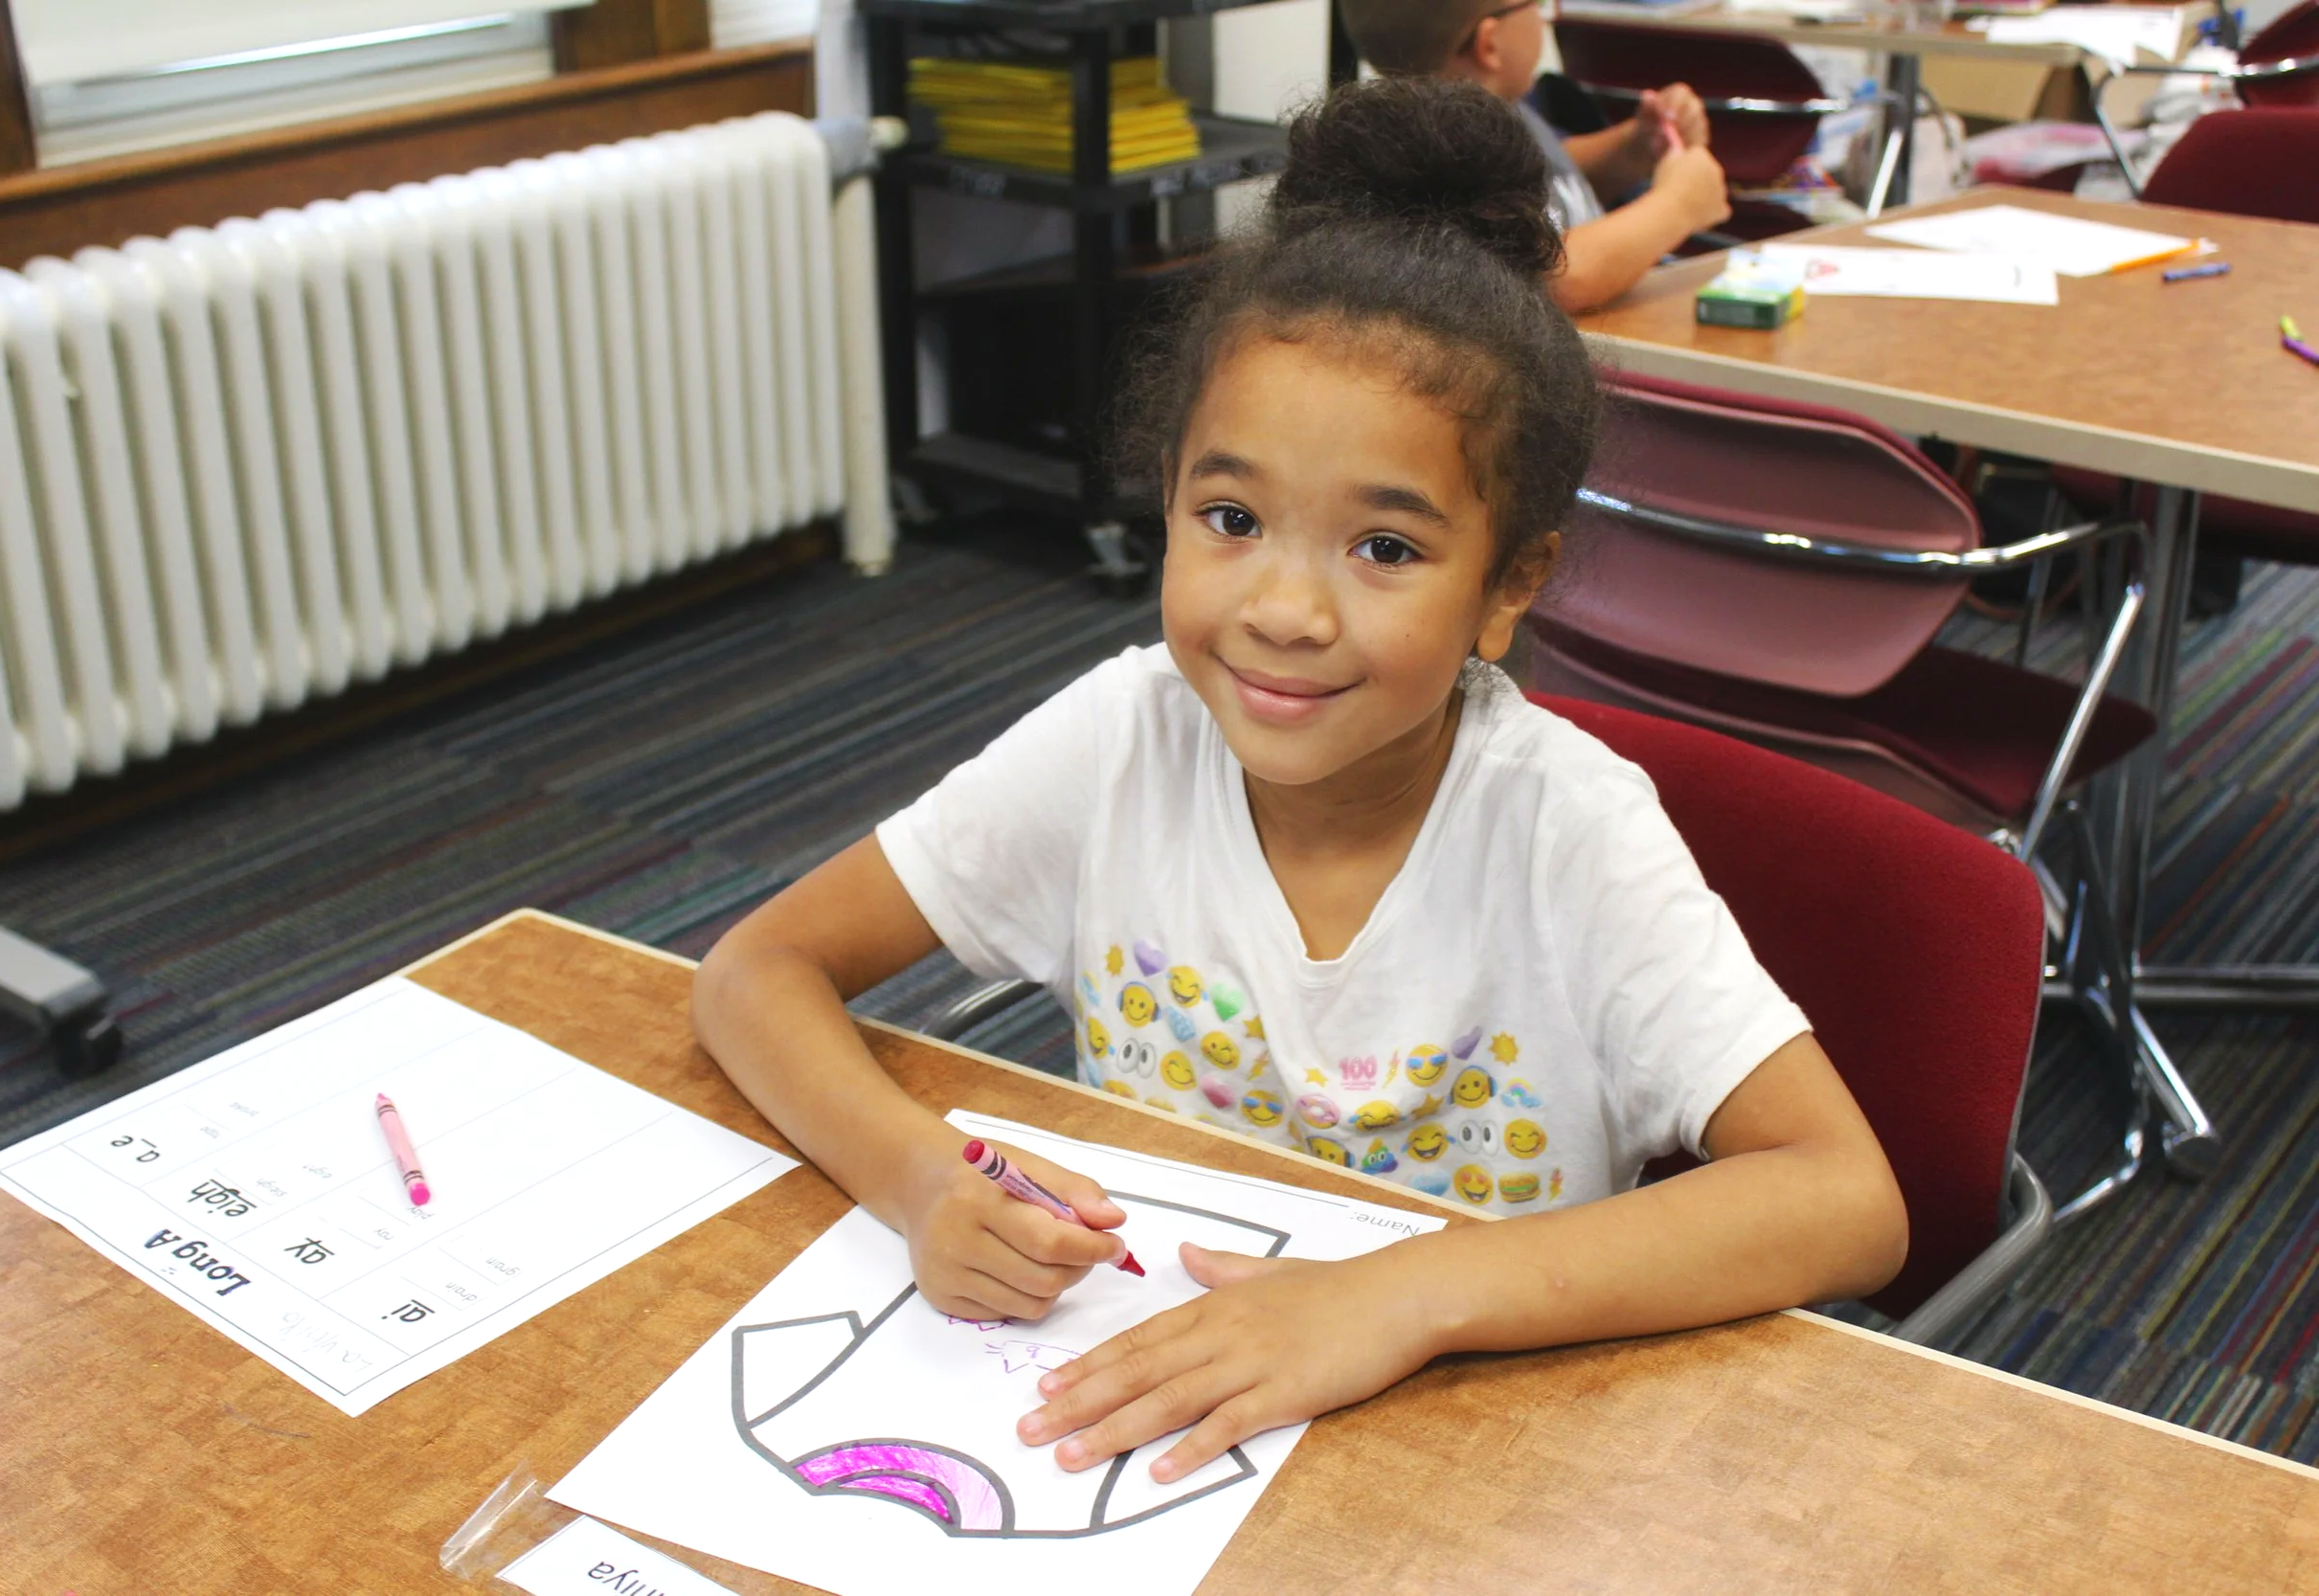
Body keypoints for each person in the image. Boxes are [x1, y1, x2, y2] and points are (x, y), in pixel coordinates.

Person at [695, 79, 1906, 1492]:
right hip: (1157, 1446)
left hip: (1480, 1458)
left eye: (1384, 549)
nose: (1282, 609)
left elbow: (1845, 1200)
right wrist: (917, 1176)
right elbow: (754, 969)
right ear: (1165, 502)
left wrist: (1399, 1294)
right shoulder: (1124, 739)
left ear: (1506, 585)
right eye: (1230, 517)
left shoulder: (1563, 826)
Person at [1340, 0, 1734, 310]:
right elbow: (1556, 276)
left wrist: (1635, 148)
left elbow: (1552, 183)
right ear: (1490, 43)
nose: (1544, 20)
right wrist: (1680, 203)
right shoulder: (1451, 153)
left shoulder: (1504, 111)